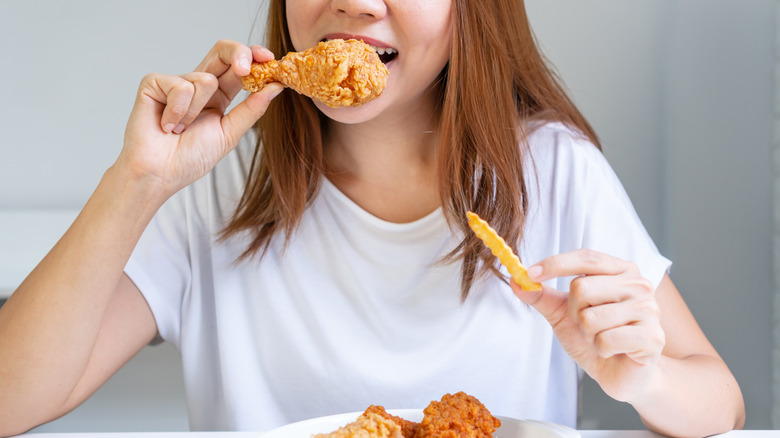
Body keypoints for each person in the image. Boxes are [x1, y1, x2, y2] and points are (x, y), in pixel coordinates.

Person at [0, 0, 745, 436]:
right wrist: (134, 181)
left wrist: (641, 380)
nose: (356, 0)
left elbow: (723, 404)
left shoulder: (550, 172)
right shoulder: (219, 183)